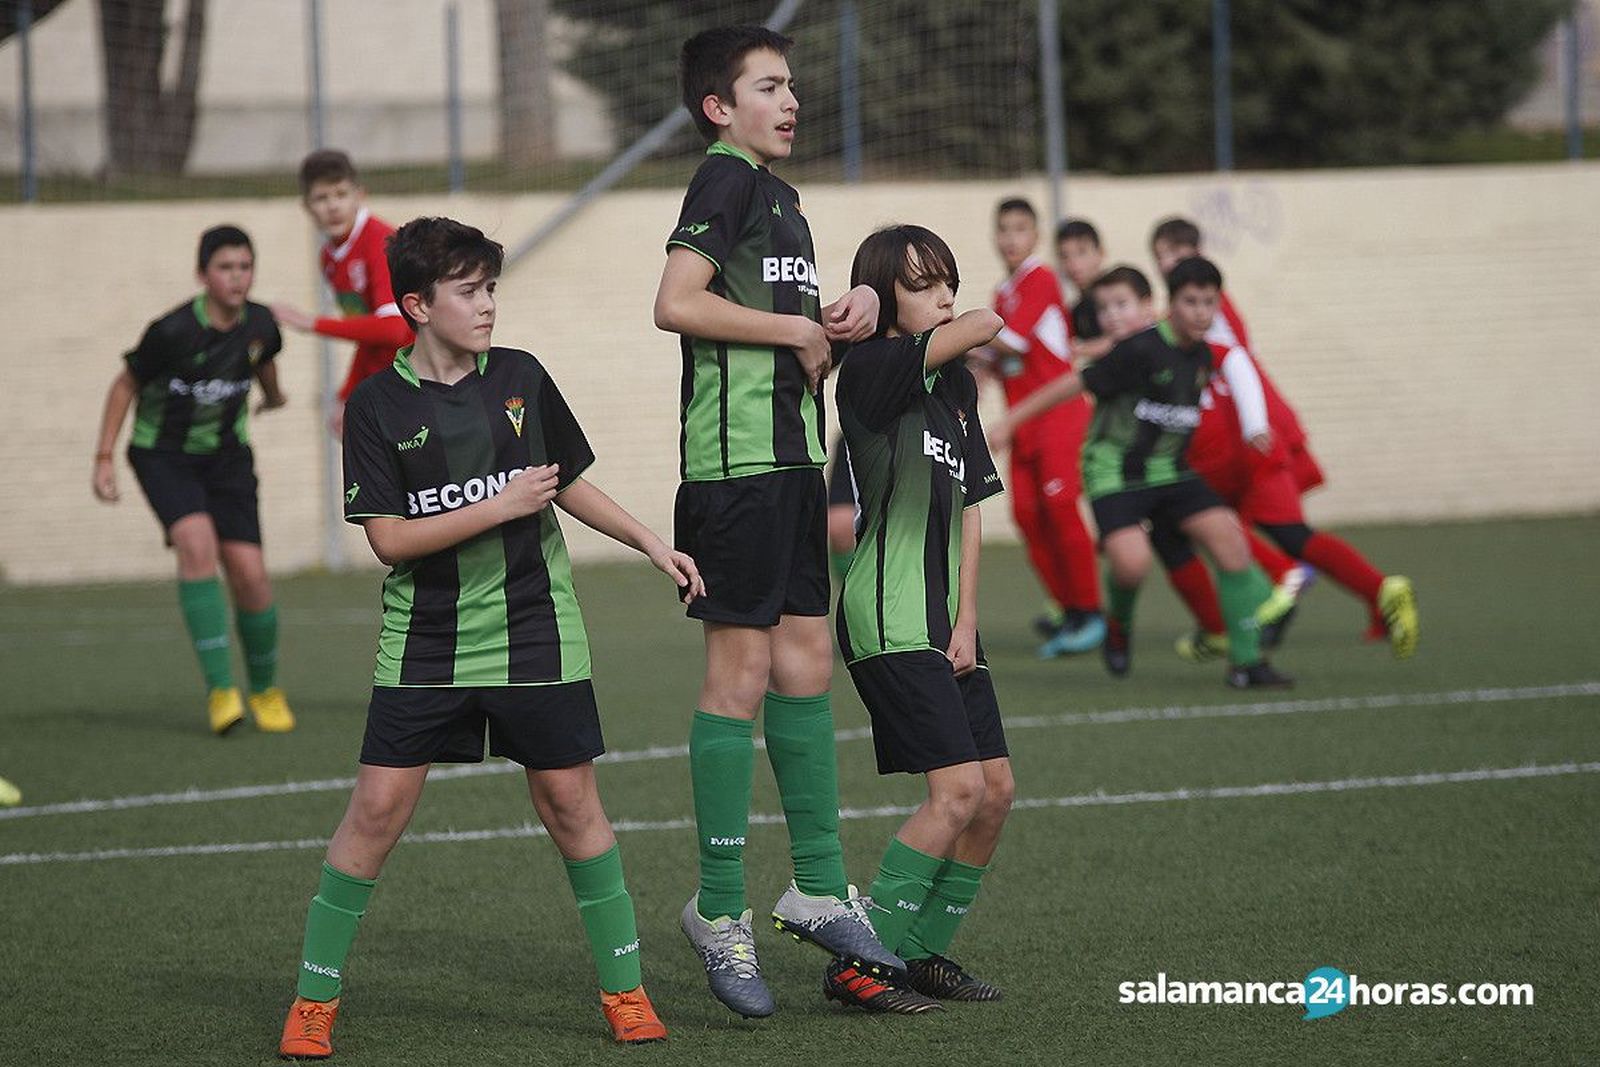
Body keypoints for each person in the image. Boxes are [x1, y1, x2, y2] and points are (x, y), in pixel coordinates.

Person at [277, 216, 696, 1056]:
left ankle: (626, 990)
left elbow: (567, 482)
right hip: (424, 642)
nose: (488, 305)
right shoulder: (378, 405)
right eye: (469, 291)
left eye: (491, 288)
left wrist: (652, 542)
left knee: (571, 803)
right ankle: (313, 1002)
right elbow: (388, 539)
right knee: (378, 808)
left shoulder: (521, 377)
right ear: (416, 304)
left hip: (536, 632)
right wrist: (497, 506)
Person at [652, 25, 900, 1019]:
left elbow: (773, 331)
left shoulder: (781, 199)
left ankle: (815, 884)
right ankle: (717, 907)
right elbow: (676, 302)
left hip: (791, 465)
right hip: (735, 470)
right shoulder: (724, 181)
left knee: (804, 662)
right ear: (720, 107)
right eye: (768, 86)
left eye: (792, 85)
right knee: (741, 674)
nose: (789, 100)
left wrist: (831, 323)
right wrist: (795, 325)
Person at [836, 224, 1015, 1012]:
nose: (945, 295)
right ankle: (857, 960)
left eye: (949, 279)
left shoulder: (957, 390)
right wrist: (883, 312)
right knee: (956, 791)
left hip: (946, 620)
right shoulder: (872, 370)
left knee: (996, 790)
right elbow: (987, 322)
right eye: (923, 283)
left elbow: (973, 509)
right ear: (885, 296)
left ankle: (914, 953)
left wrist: (968, 619)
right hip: (887, 611)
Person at [990, 259, 1291, 688]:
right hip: (1114, 472)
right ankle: (1119, 626)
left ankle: (1246, 664)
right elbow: (1073, 383)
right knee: (1132, 565)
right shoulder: (1140, 350)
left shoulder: (1203, 353)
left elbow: (1239, 367)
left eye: (1209, 302)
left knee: (1230, 541)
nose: (1201, 312)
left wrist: (1254, 426)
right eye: (1190, 302)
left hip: (1171, 472)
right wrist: (1010, 421)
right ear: (1169, 305)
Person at [1150, 218, 1417, 655]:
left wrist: (1256, 424)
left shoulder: (1204, 314)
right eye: (1163, 255)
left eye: (1179, 253)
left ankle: (1282, 591)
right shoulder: (1190, 314)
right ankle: (1367, 597)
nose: (1170, 263)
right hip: (1236, 440)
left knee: (1242, 527)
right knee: (1235, 527)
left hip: (1250, 439)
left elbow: (1230, 361)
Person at [91, 225, 295, 735]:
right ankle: (222, 692)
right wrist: (103, 457)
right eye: (225, 268)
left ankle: (266, 690)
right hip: (164, 455)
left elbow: (262, 363)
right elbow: (125, 384)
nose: (237, 277)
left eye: (244, 267)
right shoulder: (173, 332)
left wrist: (274, 396)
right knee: (195, 543)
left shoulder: (262, 324)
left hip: (227, 458)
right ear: (203, 274)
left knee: (250, 575)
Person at [982, 198, 1103, 657]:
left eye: (1019, 229)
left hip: (1057, 415)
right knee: (1028, 516)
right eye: (1003, 229)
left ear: (1034, 237)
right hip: (1024, 423)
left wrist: (958, 337)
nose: (1010, 238)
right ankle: (1067, 608)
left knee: (1060, 507)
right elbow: (998, 357)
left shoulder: (1041, 278)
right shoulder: (1003, 291)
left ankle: (1090, 612)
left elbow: (1009, 341)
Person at [270, 149, 413, 437]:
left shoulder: (382, 243)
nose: (333, 206)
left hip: (418, 383)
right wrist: (347, 393)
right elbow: (368, 334)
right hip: (385, 382)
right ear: (307, 207)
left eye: (341, 194)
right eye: (321, 198)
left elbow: (395, 329)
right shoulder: (330, 257)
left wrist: (313, 323)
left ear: (360, 195)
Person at [1055, 217, 1114, 365]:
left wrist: (1083, 349)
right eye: (1064, 256)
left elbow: (1131, 335)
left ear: (1100, 253)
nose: (1073, 263)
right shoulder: (1077, 311)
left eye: (1081, 252)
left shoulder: (1119, 294)